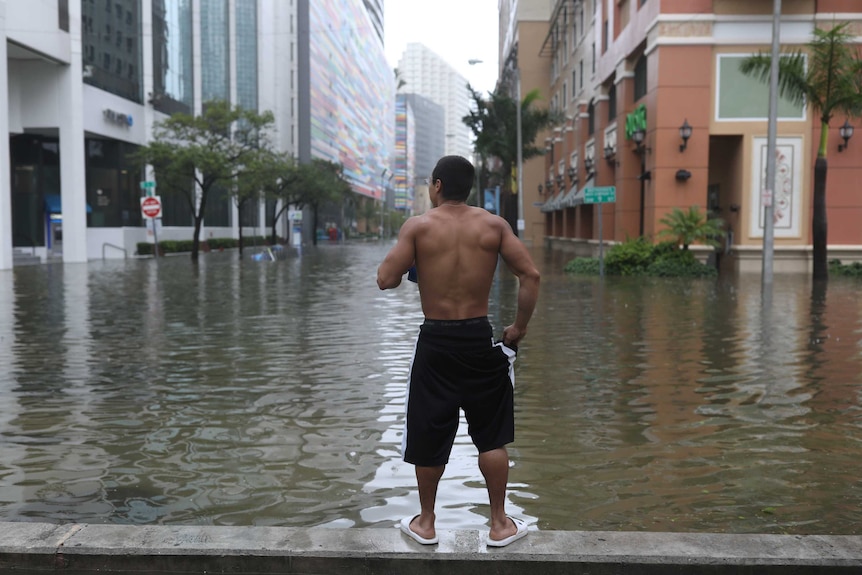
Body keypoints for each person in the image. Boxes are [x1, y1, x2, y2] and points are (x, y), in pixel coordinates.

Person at [376, 155, 540, 547]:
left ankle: (426, 524)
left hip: (435, 343)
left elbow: (385, 279)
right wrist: (518, 329)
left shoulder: (418, 227)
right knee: (491, 437)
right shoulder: (493, 225)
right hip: (478, 340)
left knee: (429, 431)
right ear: (469, 188)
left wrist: (416, 259)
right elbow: (530, 275)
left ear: (436, 186)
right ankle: (500, 525)